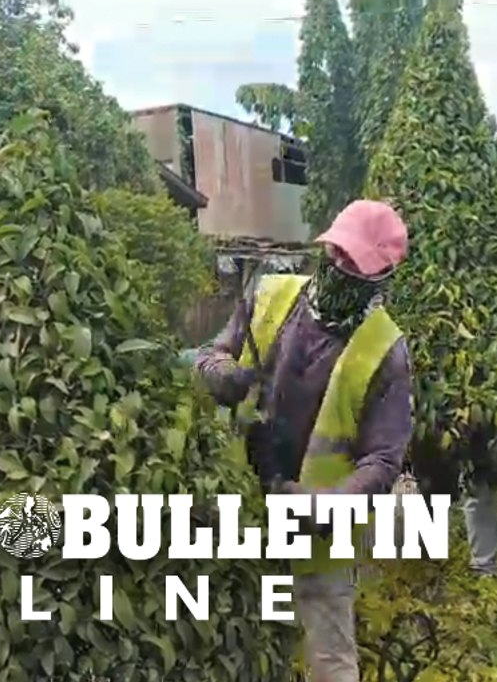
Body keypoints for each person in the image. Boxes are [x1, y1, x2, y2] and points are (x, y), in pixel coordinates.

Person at [192, 199, 414, 682]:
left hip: (318, 531)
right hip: (244, 500)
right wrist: (224, 375)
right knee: (243, 636)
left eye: (358, 267)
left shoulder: (385, 349)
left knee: (329, 656)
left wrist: (324, 505)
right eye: (339, 255)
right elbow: (211, 354)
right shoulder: (272, 295)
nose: (342, 269)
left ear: (381, 279)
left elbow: (383, 459)